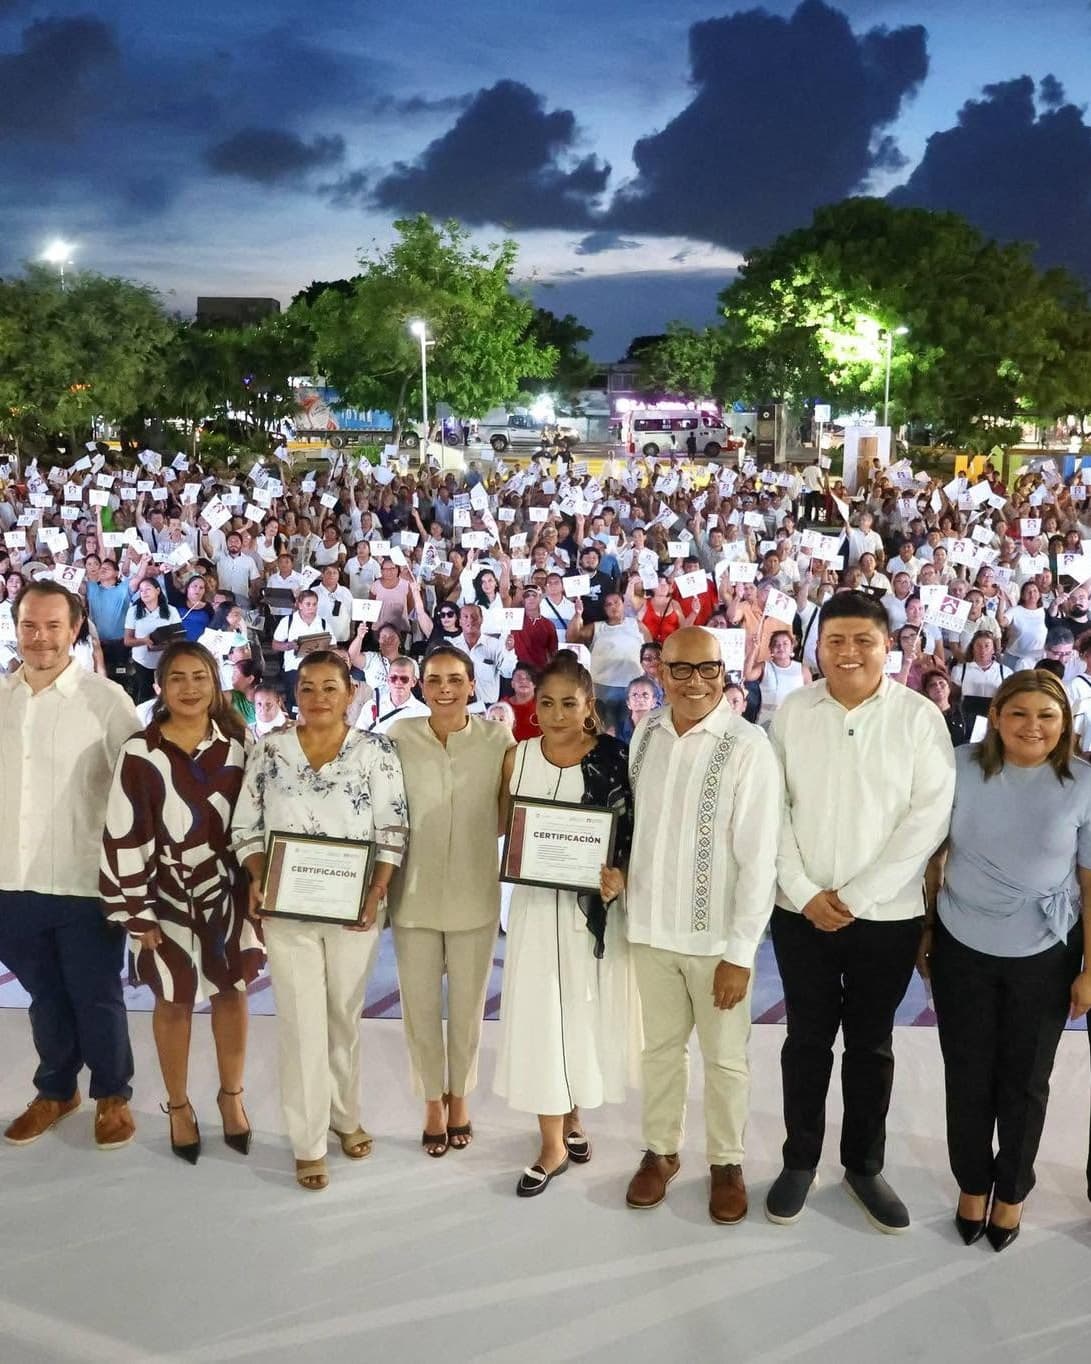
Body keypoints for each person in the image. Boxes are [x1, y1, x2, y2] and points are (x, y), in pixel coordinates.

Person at [767, 592, 955, 1232]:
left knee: (872, 1045)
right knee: (807, 1040)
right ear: (818, 645)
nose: (848, 653)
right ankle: (799, 1160)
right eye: (836, 640)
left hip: (888, 918)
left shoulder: (918, 717)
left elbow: (927, 819)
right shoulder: (793, 712)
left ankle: (864, 1165)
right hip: (800, 913)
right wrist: (804, 890)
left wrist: (858, 897)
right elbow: (773, 811)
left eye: (863, 641)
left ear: (889, 646)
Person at [921, 671, 1091, 1250]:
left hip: (1046, 952)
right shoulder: (960, 766)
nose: (1032, 726)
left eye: (1047, 715)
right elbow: (931, 854)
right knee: (966, 1072)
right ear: (996, 715)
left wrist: (1090, 967)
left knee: (1025, 1080)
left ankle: (1012, 1192)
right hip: (961, 944)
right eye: (1019, 713)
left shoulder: (1083, 782)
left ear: (1065, 722)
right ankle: (972, 1184)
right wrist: (924, 927)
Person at [232, 650, 409, 1191]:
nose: (318, 698)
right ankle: (308, 1142)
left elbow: (393, 827)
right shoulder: (270, 750)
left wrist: (376, 890)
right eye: (307, 687)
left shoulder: (375, 751)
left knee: (342, 1016)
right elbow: (247, 824)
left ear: (350, 691)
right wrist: (259, 877)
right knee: (302, 1022)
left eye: (330, 687)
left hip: (354, 908)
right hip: (288, 909)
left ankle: (342, 1113)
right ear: (294, 694)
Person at [622, 627, 781, 1224]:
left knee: (726, 1059)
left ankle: (726, 1162)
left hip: (717, 941)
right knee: (660, 1051)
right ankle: (661, 1152)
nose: (693, 683)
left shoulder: (746, 746)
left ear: (726, 672)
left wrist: (742, 952)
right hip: (652, 931)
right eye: (680, 670)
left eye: (706, 670)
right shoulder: (646, 733)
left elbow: (759, 858)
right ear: (660, 671)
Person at [99, 642, 262, 1164]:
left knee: (231, 993)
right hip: (163, 898)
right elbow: (124, 834)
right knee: (173, 1000)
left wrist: (261, 882)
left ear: (216, 684)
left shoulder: (240, 743)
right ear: (160, 687)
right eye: (177, 679)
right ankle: (177, 1105)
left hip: (229, 894)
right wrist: (137, 911)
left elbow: (258, 819)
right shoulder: (139, 752)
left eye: (200, 677)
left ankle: (231, 1096)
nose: (189, 688)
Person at [0, 581, 140, 1150]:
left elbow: (138, 792)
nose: (40, 638)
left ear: (76, 629)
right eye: (30, 625)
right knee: (45, 995)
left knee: (97, 993)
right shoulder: (3, 699)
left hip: (86, 880)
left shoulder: (107, 701)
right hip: (12, 879)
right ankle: (57, 1089)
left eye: (53, 625)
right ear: (16, 627)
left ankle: (113, 1093)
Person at [494, 652, 635, 1195]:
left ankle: (572, 1115)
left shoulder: (614, 758)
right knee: (537, 1016)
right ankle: (551, 1143)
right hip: (532, 908)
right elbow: (503, 826)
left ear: (589, 705)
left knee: (578, 1014)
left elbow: (630, 833)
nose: (555, 714)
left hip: (589, 914)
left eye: (568, 703)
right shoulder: (518, 757)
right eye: (545, 702)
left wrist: (618, 874)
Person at [387, 645, 514, 1157]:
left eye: (455, 680)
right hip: (412, 896)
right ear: (420, 685)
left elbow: (509, 814)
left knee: (466, 1008)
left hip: (474, 894)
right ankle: (432, 1102)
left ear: (471, 686)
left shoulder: (495, 738)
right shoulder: (398, 737)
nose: (444, 689)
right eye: (434, 679)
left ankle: (460, 1097)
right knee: (418, 1008)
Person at [124, 576, 183, 704]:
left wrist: (163, 644)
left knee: (165, 696)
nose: (144, 593)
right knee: (144, 696)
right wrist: (144, 641)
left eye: (148, 589)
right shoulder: (133, 611)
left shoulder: (171, 611)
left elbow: (179, 638)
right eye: (141, 590)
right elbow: (127, 641)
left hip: (165, 660)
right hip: (141, 661)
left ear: (157, 590)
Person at [359, 655, 429, 734]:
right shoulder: (370, 706)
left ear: (413, 682)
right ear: (388, 680)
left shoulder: (424, 713)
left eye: (404, 679)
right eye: (393, 678)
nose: (398, 682)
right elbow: (358, 738)